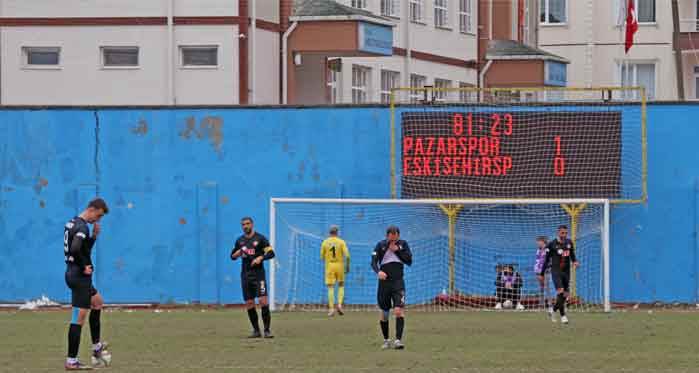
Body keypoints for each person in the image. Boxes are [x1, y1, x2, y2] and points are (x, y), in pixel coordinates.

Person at [63, 198, 110, 370]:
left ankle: (96, 347)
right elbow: (75, 249)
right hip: (79, 276)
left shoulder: (73, 222)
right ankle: (71, 360)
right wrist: (84, 266)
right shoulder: (82, 226)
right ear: (91, 209)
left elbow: (82, 248)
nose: (97, 220)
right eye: (97, 216)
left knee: (97, 302)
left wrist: (94, 237)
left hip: (75, 274)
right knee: (78, 319)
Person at [231, 217, 275, 338]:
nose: (245, 226)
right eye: (243, 224)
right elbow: (232, 256)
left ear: (252, 224)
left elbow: (271, 253)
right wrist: (238, 253)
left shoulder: (261, 239)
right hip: (245, 275)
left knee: (263, 301)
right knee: (250, 303)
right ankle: (256, 331)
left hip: (259, 275)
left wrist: (260, 258)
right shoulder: (240, 241)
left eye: (247, 224)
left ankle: (267, 330)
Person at [371, 226, 412, 350]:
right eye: (391, 236)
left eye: (396, 236)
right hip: (384, 284)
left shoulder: (403, 244)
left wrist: (397, 250)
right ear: (387, 235)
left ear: (398, 235)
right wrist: (378, 272)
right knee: (384, 314)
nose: (394, 238)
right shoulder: (380, 245)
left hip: (398, 283)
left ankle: (398, 341)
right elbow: (373, 262)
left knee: (398, 311)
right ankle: (386, 340)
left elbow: (409, 261)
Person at [539, 225, 579, 324]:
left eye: (566, 233)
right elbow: (546, 260)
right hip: (556, 271)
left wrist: (575, 261)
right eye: (562, 233)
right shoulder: (551, 244)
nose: (564, 235)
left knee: (565, 294)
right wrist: (541, 274)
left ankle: (553, 310)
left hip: (566, 271)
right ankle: (563, 316)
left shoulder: (569, 242)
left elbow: (572, 254)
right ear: (558, 232)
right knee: (560, 291)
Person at [320, 225, 350, 316]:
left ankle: (331, 309)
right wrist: (347, 266)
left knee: (330, 287)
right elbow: (348, 256)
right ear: (337, 233)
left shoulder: (325, 242)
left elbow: (321, 257)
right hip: (340, 265)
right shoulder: (341, 242)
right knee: (341, 285)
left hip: (330, 266)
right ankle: (340, 305)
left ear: (329, 233)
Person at [534, 236, 554, 317]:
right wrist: (537, 271)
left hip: (546, 270)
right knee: (541, 287)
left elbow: (550, 260)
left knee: (547, 288)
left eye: (539, 241)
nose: (537, 243)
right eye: (537, 242)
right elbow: (537, 261)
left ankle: (550, 305)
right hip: (538, 271)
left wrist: (547, 268)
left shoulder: (548, 250)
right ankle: (541, 304)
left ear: (543, 242)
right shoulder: (538, 250)